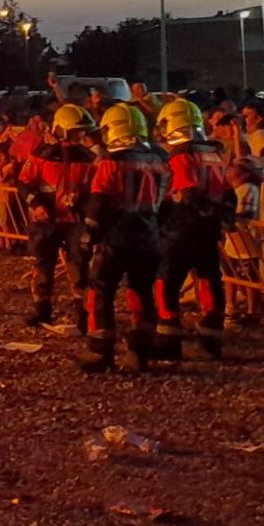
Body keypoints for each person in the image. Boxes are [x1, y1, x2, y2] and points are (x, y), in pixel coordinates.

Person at [79, 102, 169, 374]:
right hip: (149, 237)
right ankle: (139, 352)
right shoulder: (159, 161)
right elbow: (166, 203)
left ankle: (100, 351)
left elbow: (98, 204)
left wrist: (88, 236)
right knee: (141, 293)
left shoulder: (111, 162)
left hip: (116, 238)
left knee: (100, 291)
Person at [151, 97, 233, 360]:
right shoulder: (213, 153)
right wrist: (221, 215)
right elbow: (228, 192)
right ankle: (211, 338)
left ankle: (168, 340)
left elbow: (188, 192)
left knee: (167, 280)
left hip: (182, 226)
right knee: (209, 278)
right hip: (208, 227)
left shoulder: (182, 154)